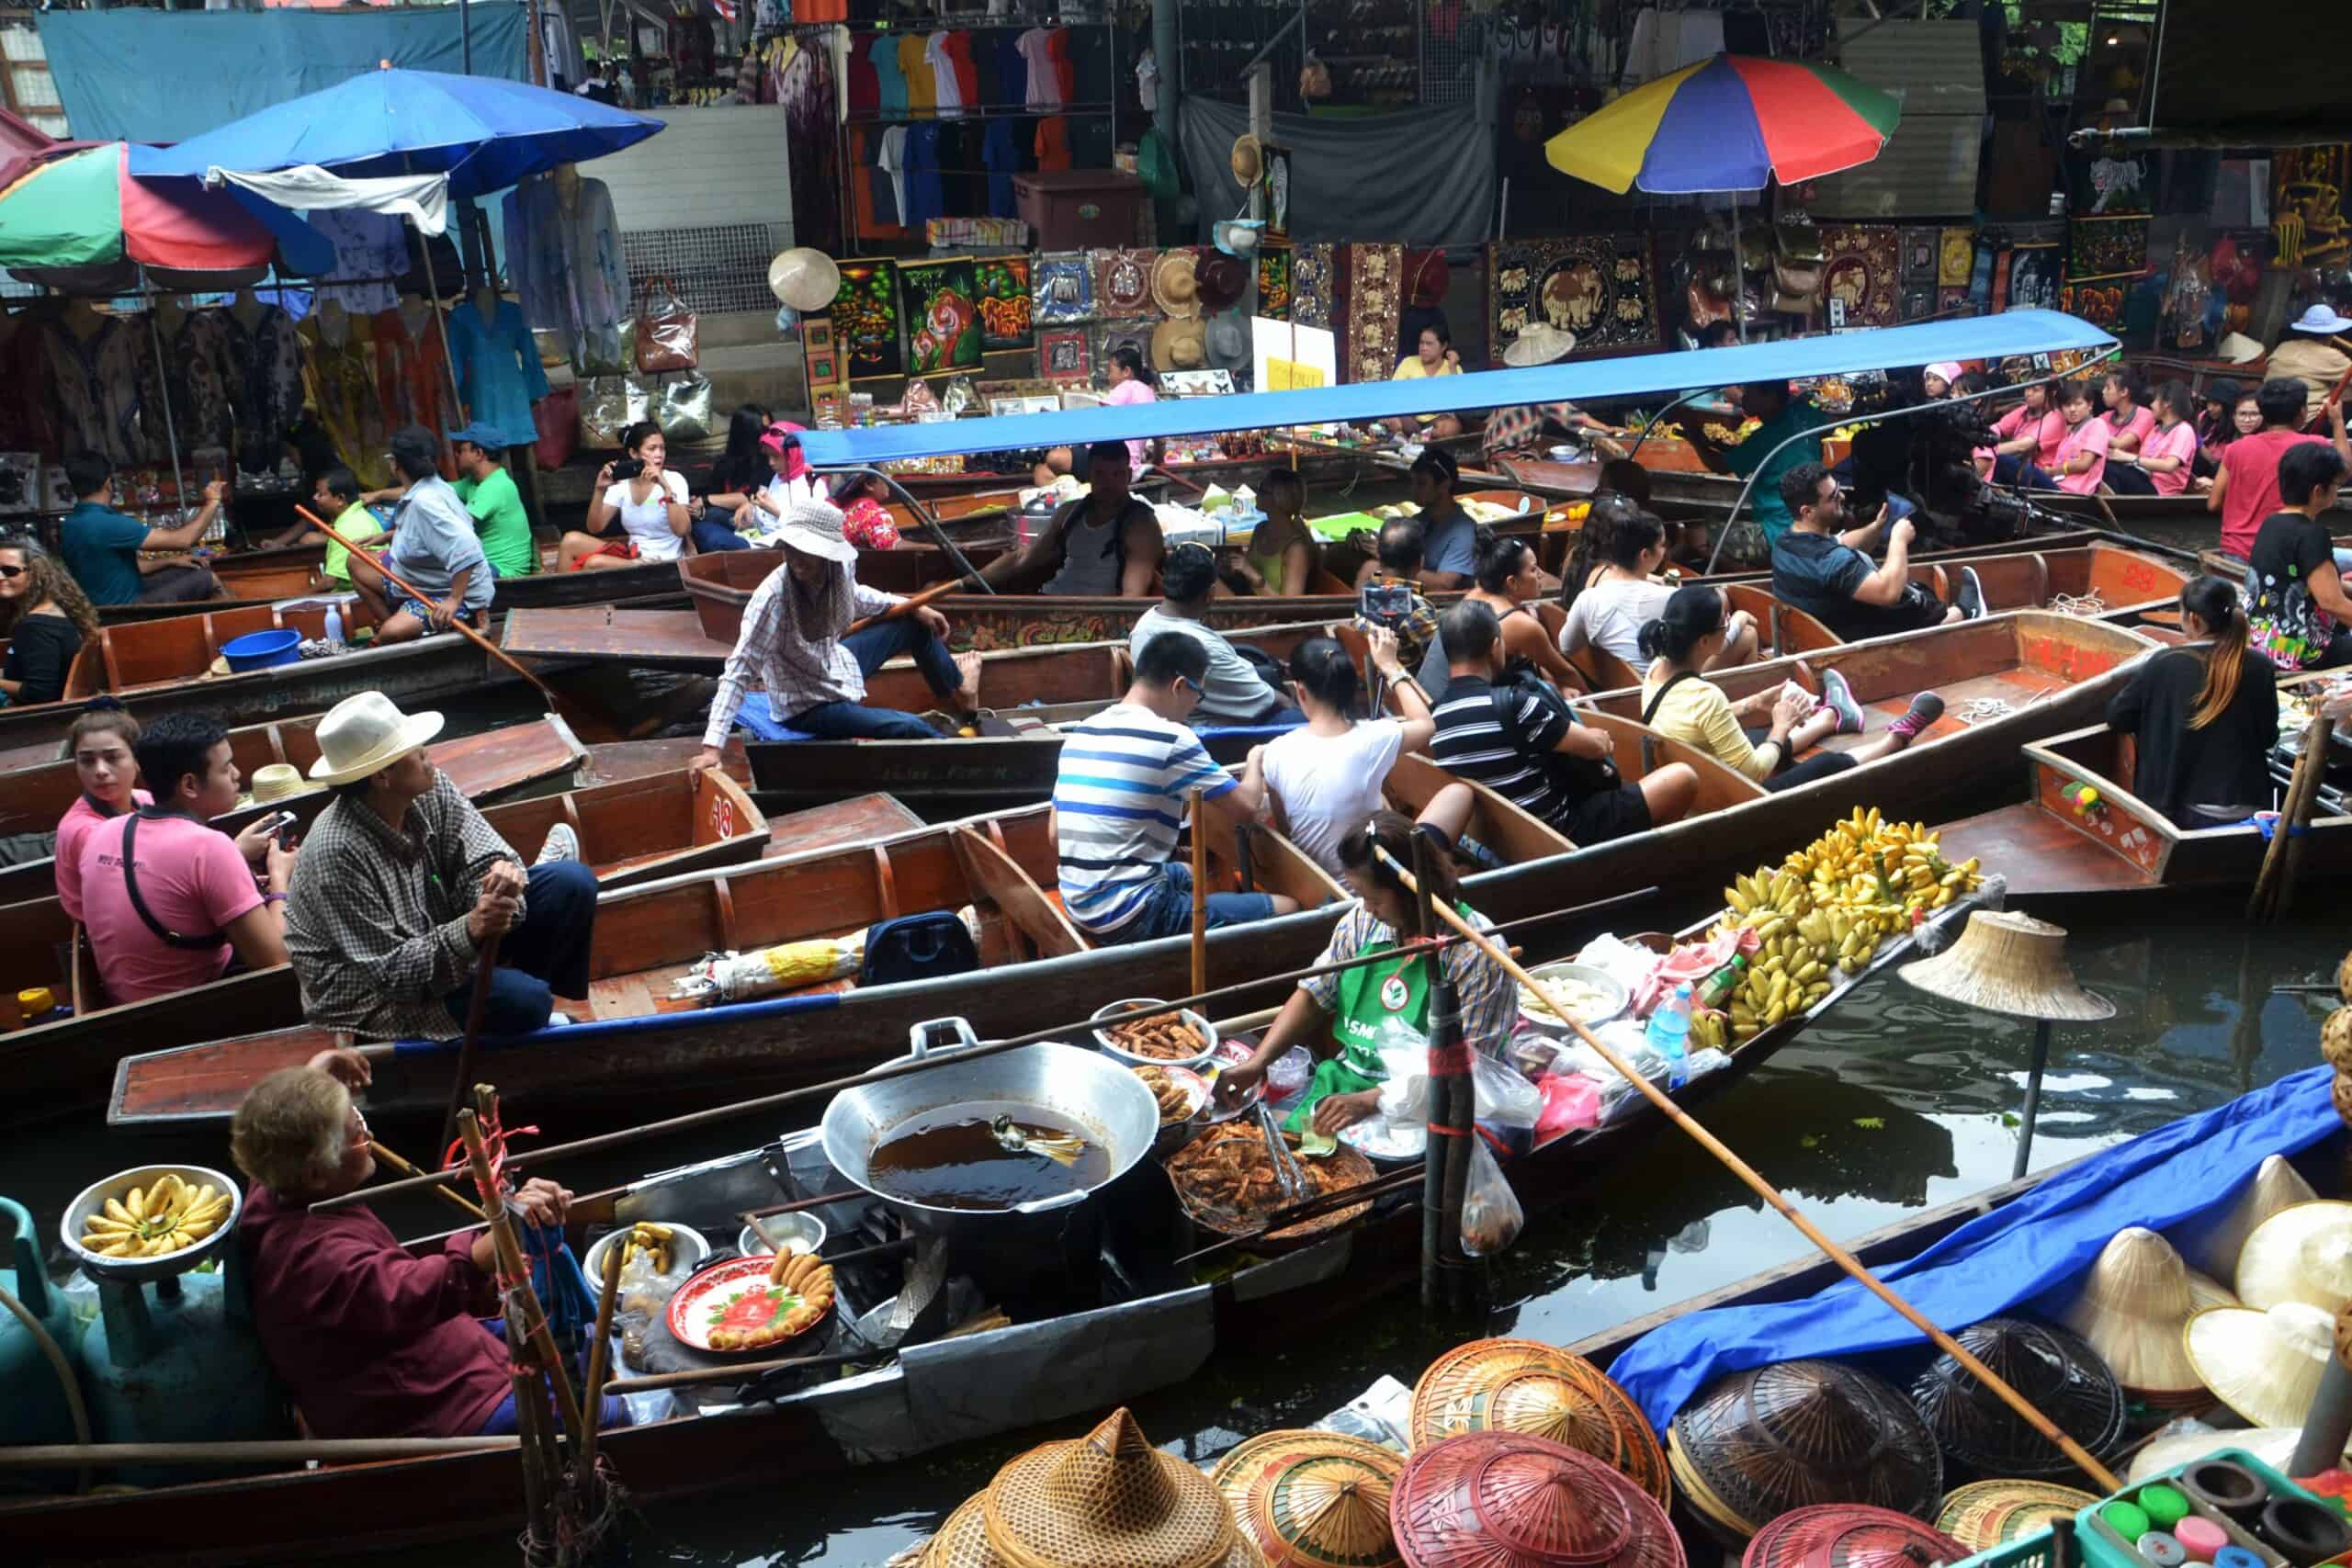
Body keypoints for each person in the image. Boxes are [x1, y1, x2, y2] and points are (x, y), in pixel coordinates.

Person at [232, 1056, 628, 1438]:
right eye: (355, 1130)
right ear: (317, 1174)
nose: (367, 1136)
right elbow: (411, 1290)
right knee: (606, 1416)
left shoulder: (273, 1184)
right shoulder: (319, 1262)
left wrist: (316, 1074)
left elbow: (288, 1125)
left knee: (590, 1339)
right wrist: (498, 1242)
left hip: (423, 1342)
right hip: (415, 1396)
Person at [285, 692, 597, 1039]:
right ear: (382, 777)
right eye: (413, 751)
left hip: (440, 938)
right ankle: (522, 1008)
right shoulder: (337, 852)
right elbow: (393, 976)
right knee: (524, 1000)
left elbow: (489, 855)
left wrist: (497, 880)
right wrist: (472, 926)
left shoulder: (431, 787)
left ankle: (524, 1006)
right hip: (374, 996)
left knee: (571, 883)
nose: (426, 753)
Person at [1215, 811, 1513, 1135]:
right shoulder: (1362, 922)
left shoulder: (1475, 951)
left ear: (1411, 891)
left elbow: (1466, 1068)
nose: (1366, 908)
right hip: (1350, 1080)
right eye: (1361, 897)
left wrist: (1372, 1100)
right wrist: (1259, 1062)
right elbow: (1315, 995)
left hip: (1436, 1103)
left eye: (1374, 899)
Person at [1050, 631, 1296, 943]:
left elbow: (1054, 834)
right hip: (1131, 914)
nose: (1195, 705)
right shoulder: (1172, 738)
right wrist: (1254, 759)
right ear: (1180, 686)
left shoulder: (1082, 732)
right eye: (1199, 695)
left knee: (1190, 873)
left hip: (1078, 903)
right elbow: (1246, 808)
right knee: (1289, 907)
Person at [695, 497, 978, 751]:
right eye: (791, 548)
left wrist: (912, 605)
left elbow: (855, 595)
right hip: (806, 705)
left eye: (806, 550)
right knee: (909, 727)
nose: (796, 558)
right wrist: (712, 748)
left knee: (914, 624)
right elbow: (739, 669)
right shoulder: (772, 599)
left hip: (836, 664)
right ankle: (962, 751)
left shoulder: (838, 567)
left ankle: (956, 699)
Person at [1429, 600, 1697, 844]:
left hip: (1508, 840)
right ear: (1495, 646)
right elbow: (1596, 747)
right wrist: (1597, 733)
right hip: (1563, 832)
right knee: (1682, 778)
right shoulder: (1514, 704)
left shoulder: (1436, 718)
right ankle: (1633, 862)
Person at [78, 712, 295, 1006]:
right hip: (192, 1014)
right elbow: (275, 963)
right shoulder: (209, 848)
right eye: (226, 766)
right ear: (190, 785)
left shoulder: (102, 834)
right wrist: (281, 876)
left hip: (123, 1009)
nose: (236, 774)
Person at [1636, 586, 1943, 793]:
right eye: (1724, 623)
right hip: (1726, 795)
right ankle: (1897, 738)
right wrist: (1781, 725)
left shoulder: (1657, 669)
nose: (1729, 625)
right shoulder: (1704, 697)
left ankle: (1829, 719)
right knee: (1826, 763)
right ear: (1704, 641)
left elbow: (1691, 721)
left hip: (1700, 770)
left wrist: (1753, 702)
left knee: (1755, 737)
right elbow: (1754, 772)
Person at [1260, 631, 1442, 879]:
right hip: (1374, 883)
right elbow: (1426, 723)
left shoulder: (1275, 750)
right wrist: (1390, 666)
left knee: (1381, 800)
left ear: (1300, 691)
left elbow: (1286, 830)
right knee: (1457, 794)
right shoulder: (1373, 738)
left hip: (1318, 889)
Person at [2105, 576, 2278, 828]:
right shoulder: (2260, 666)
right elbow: (2268, 737)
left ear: (2194, 619)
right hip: (2250, 804)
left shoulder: (2164, 664)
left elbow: (2117, 716)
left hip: (2180, 811)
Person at [1771, 464, 1984, 644]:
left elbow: (1841, 543)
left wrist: (1876, 528)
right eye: (1833, 496)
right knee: (1909, 599)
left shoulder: (1786, 543)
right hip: (1854, 638)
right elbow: (1887, 592)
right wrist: (1898, 539)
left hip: (1818, 633)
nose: (1842, 497)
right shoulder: (1830, 562)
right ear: (1807, 511)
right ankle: (1964, 613)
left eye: (1838, 489)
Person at [1559, 507, 1757, 671]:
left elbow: (1566, 645)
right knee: (1748, 634)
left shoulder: (1588, 597)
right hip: (1665, 691)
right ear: (1645, 555)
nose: (1665, 550)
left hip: (1629, 686)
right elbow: (1715, 645)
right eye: (1662, 545)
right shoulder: (1670, 599)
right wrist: (1740, 618)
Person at [348, 426, 495, 644]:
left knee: (391, 633)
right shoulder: (428, 486)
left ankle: (396, 633)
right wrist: (388, 536)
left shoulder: (425, 501)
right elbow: (425, 532)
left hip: (446, 592)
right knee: (355, 562)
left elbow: (467, 545)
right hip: (417, 577)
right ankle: (397, 623)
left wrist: (454, 599)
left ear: (395, 464)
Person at [1128, 544, 1297, 726]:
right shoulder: (1204, 646)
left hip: (1185, 711)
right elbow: (1273, 701)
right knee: (1294, 716)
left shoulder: (1143, 625)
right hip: (1213, 729)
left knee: (1265, 665)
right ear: (1210, 594)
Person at [976, 440, 1163, 596]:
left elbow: (1132, 598)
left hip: (1098, 619)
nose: (1109, 483)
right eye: (1101, 474)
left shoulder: (1141, 526)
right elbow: (1024, 559)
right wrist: (965, 582)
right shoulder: (1070, 512)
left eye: (1117, 474)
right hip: (1051, 599)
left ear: (1128, 476)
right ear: (1090, 475)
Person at [1417, 534, 1586, 694]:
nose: (1541, 575)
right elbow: (1565, 674)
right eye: (1533, 570)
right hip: (1455, 712)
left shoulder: (1477, 593)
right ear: (1512, 582)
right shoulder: (1519, 624)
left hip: (1429, 699)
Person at [2210, 377, 2352, 560]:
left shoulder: (2235, 448)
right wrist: (2338, 421)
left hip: (2235, 551)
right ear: (2302, 412)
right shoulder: (2314, 444)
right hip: (2284, 551)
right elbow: (2345, 470)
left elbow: (2213, 503)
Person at [58, 452, 225, 606]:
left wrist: (171, 560)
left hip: (107, 605)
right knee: (208, 578)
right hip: (128, 610)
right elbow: (185, 540)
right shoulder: (107, 523)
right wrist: (213, 502)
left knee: (188, 569)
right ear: (108, 484)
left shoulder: (70, 524)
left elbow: (121, 567)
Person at [1679, 379, 1828, 546]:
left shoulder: (1764, 438)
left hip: (1777, 531)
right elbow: (1825, 424)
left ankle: (1771, 566)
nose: (1743, 397)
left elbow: (1719, 466)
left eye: (1749, 392)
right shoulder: (1805, 414)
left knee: (1696, 535)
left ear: (1771, 397)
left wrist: (1694, 439)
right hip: (1811, 522)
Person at [2245, 443, 2352, 671]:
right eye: (2335, 485)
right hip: (2299, 648)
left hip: (2261, 638)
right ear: (2317, 491)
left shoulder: (2271, 523)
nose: (2336, 490)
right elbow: (2331, 603)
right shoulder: (2312, 534)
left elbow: (2317, 583)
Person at [560, 420, 699, 571]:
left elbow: (682, 530)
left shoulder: (674, 480)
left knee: (595, 563)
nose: (659, 454)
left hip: (664, 562)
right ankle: (559, 595)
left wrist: (665, 488)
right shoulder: (623, 485)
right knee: (570, 540)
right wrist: (599, 489)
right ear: (634, 453)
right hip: (634, 556)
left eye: (662, 449)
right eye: (652, 449)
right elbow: (595, 528)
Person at [54, 705, 145, 921]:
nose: (100, 771)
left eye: (112, 758)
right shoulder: (85, 831)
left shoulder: (145, 800)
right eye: (87, 761)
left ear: (137, 760)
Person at [0, 536, 100, 706]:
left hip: (37, 721)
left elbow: (40, 693)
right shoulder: (55, 609)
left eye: (10, 571)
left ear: (36, 573)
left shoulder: (36, 626)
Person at [1351, 517, 1442, 673]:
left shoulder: (1367, 591)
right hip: (1409, 689)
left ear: (1378, 555)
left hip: (1380, 684)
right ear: (1420, 561)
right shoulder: (1417, 610)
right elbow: (1445, 657)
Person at [447, 424, 537, 578]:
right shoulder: (473, 482)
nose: (457, 455)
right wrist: (392, 492)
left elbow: (456, 527)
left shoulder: (495, 486)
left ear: (478, 453)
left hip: (502, 571)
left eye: (461, 450)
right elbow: (433, 489)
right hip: (487, 565)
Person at [1227, 468, 1314, 596]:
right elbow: (1246, 576)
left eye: (1261, 489)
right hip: (1247, 600)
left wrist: (1254, 576)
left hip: (1270, 613)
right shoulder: (1260, 529)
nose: (1256, 493)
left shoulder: (1296, 549)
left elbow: (1291, 607)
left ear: (1278, 498)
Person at [2108, 380, 2202, 498]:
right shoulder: (2156, 429)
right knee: (2106, 463)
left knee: (2110, 469)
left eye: (2155, 400)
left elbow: (2169, 466)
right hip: (2144, 479)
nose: (2151, 405)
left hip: (2159, 492)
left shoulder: (2183, 430)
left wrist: (2129, 457)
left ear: (2168, 403)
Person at [2266, 305, 2352, 422]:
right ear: (2331, 334)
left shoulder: (2283, 347)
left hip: (2270, 416)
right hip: (2305, 422)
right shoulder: (2331, 356)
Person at [1408, 448, 1477, 590]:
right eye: (1413, 482)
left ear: (1444, 485)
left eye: (1421, 483)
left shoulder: (1464, 533)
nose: (1413, 490)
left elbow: (1444, 585)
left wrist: (1394, 567)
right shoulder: (1420, 520)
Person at [700, 404, 774, 536]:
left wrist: (706, 499)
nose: (768, 436)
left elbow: (754, 497)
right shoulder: (725, 464)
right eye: (763, 430)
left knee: (713, 515)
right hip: (729, 519)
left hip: (758, 517)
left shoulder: (769, 461)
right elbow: (716, 494)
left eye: (770, 429)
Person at [306, 468, 386, 587]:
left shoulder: (348, 527)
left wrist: (298, 599)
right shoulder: (359, 515)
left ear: (340, 499)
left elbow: (330, 582)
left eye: (321, 494)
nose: (315, 497)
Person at [747, 420, 831, 531]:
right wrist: (754, 509)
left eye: (776, 456)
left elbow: (810, 530)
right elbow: (767, 521)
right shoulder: (779, 478)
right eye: (768, 457)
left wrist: (775, 511)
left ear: (794, 454)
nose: (770, 462)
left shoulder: (812, 483)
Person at [1385, 322, 1465, 438]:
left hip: (1438, 421)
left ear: (1443, 346)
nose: (1423, 348)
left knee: (1450, 428)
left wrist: (1453, 367)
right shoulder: (1408, 362)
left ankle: (1418, 437)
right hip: (1410, 418)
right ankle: (1422, 437)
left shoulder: (1454, 368)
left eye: (1429, 344)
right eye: (1421, 343)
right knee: (1394, 421)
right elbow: (1393, 393)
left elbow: (1459, 399)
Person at [1983, 383, 2067, 487]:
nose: (2028, 394)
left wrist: (1985, 451)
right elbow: (1997, 428)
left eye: (2035, 390)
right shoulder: (2025, 410)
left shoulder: (2056, 417)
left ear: (2051, 393)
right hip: (2020, 468)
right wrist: (1981, 441)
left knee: (2001, 460)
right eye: (2027, 389)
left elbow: (2023, 446)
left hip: (2040, 474)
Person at [2039, 380, 2111, 494]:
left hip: (2073, 492)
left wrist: (2052, 471)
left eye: (2078, 404)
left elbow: (2085, 464)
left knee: (2006, 462)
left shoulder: (2097, 425)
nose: (2072, 409)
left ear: (2090, 405)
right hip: (2056, 486)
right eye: (2067, 405)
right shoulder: (2069, 432)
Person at [1102, 344, 1158, 478]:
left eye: (1110, 371)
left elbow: (1101, 418)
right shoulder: (1148, 393)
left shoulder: (1126, 386)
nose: (1108, 377)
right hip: (1131, 463)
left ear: (1126, 371)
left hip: (1110, 461)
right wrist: (1156, 462)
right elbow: (1160, 440)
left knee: (1054, 458)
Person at [2100, 369, 2156, 457]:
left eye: (2108, 388)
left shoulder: (2145, 415)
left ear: (2123, 392)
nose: (2103, 392)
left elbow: (2121, 444)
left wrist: (2095, 434)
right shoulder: (2105, 417)